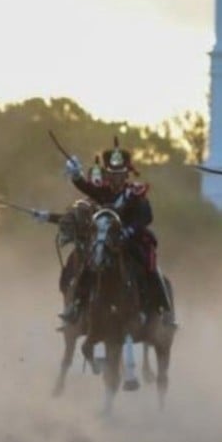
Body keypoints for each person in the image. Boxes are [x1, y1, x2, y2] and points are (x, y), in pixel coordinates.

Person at [60, 139, 175, 327]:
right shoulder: (103, 192)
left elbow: (146, 216)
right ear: (107, 174)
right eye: (112, 174)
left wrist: (129, 230)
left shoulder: (135, 193)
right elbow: (86, 187)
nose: (116, 179)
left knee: (149, 265)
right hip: (108, 239)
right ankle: (77, 304)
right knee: (90, 262)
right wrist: (76, 175)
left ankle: (163, 308)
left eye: (120, 174)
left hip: (131, 239)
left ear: (126, 174)